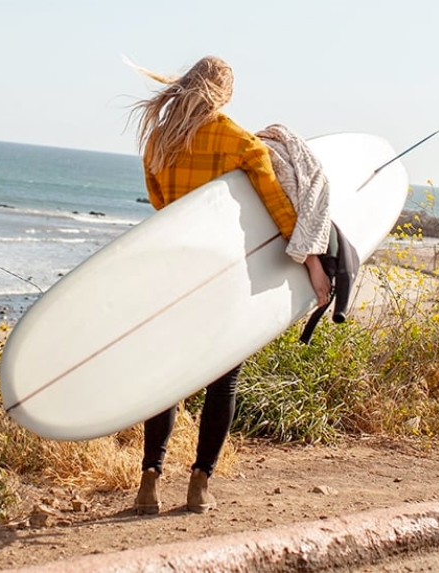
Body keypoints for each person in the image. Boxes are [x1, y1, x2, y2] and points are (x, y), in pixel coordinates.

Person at [128, 55, 332, 514]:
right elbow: (281, 211)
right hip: (222, 277)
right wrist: (314, 265)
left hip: (174, 274)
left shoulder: (158, 141)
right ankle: (200, 483)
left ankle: (149, 481)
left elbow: (162, 206)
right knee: (223, 383)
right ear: (224, 93)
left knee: (166, 381)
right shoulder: (240, 141)